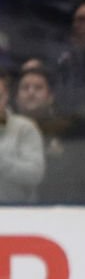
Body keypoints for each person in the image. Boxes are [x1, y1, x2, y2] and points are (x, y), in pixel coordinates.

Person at [0, 69, 45, 202]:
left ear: (6, 97)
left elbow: (35, 173)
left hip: (18, 213)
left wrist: (1, 163)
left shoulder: (24, 128)